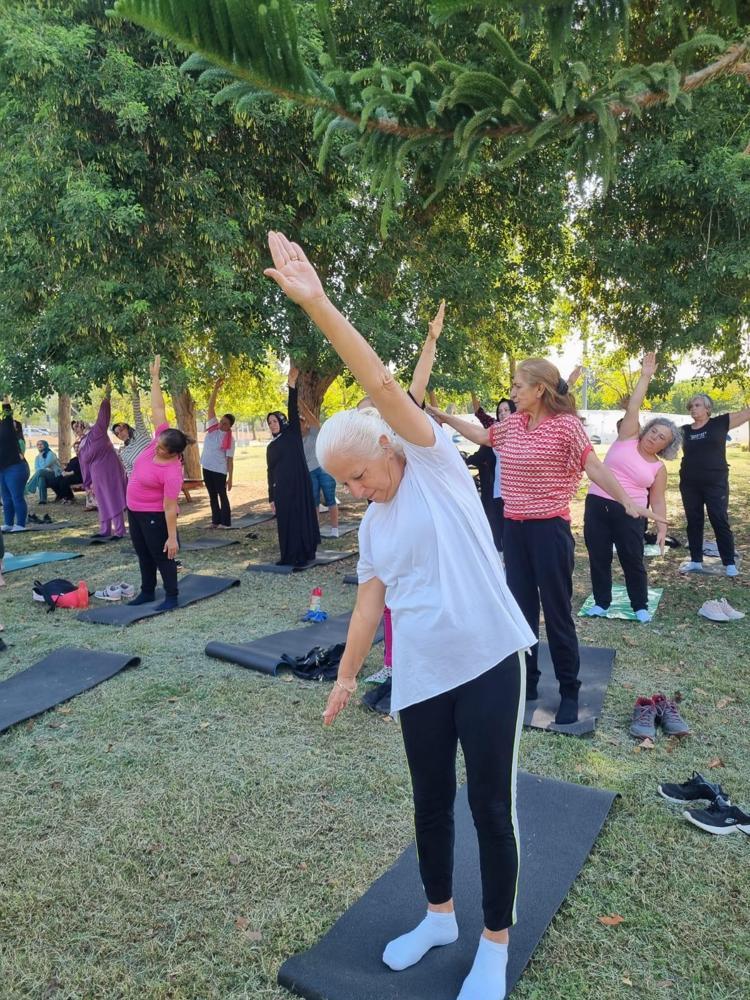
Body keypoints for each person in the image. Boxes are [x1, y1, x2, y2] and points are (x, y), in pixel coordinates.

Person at [265, 231, 535, 1000]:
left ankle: (494, 944)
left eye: (358, 475)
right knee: (430, 802)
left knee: (490, 805)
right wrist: (346, 677)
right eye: (344, 485)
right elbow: (366, 607)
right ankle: (440, 917)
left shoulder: (432, 462)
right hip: (420, 673)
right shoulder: (375, 528)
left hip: (488, 659)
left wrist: (318, 305)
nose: (356, 492)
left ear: (387, 447)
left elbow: (383, 383)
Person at [431, 360, 658, 725]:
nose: (513, 392)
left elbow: (595, 467)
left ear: (540, 389)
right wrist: (442, 415)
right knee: (521, 612)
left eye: (518, 386)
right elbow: (483, 436)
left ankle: (569, 691)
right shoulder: (514, 424)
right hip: (514, 530)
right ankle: (528, 681)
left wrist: (627, 501)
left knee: (556, 614)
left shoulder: (566, 426)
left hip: (549, 531)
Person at [583, 353, 680, 622]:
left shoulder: (658, 468)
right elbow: (634, 405)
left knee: (632, 559)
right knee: (599, 557)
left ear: (666, 446)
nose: (654, 437)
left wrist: (662, 528)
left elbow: (657, 501)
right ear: (646, 430)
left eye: (662, 438)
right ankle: (601, 603)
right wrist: (645, 376)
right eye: (654, 431)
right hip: (597, 504)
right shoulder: (627, 436)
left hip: (631, 513)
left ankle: (640, 606)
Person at [126, 356, 189, 610]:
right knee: (143, 553)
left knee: (162, 555)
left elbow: (170, 507)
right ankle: (147, 591)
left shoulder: (172, 472)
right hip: (134, 510)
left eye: (161, 449)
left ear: (173, 453)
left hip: (154, 514)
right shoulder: (160, 440)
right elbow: (158, 409)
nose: (156, 448)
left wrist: (172, 538)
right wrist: (154, 378)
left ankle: (172, 596)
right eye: (158, 444)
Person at [679, 392, 750, 577]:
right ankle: (696, 561)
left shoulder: (720, 423)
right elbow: (661, 436)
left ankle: (729, 563)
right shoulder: (684, 430)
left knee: (718, 519)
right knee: (693, 521)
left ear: (707, 408)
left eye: (697, 405)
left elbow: (746, 413)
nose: (693, 408)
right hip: (689, 484)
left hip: (715, 482)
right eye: (691, 406)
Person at [266, 367, 321, 566]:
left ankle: (304, 554)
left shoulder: (293, 434)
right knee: (286, 521)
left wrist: (291, 385)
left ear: (282, 421)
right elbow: (270, 472)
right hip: (282, 490)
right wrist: (271, 496)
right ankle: (288, 555)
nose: (272, 424)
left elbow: (292, 408)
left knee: (301, 518)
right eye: (269, 422)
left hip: (299, 485)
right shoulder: (271, 446)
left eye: (275, 421)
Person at [77, 390, 128, 539]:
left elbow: (103, 416)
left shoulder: (97, 431)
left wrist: (106, 398)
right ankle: (104, 530)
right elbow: (83, 464)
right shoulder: (82, 443)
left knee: (112, 497)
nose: (78, 428)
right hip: (96, 474)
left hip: (109, 470)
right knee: (102, 500)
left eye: (80, 425)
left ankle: (119, 531)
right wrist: (88, 482)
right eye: (76, 426)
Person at [468, 395, 516, 551]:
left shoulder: (523, 432)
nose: (503, 414)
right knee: (496, 528)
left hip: (516, 494)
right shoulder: (493, 430)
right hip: (496, 491)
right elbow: (480, 416)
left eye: (506, 410)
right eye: (500, 411)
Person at [298, 400, 340, 536]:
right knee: (314, 501)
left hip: (323, 469)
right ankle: (316, 530)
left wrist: (300, 403)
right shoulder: (296, 440)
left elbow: (310, 416)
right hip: (310, 472)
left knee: (330, 499)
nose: (299, 426)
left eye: (301, 422)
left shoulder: (314, 432)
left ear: (305, 423)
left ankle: (335, 530)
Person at [201, 376, 236, 528]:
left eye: (225, 423)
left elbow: (230, 460)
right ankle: (216, 521)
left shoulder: (230, 439)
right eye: (221, 421)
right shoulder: (213, 428)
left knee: (222, 495)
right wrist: (215, 389)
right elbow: (211, 408)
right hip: (206, 467)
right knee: (212, 496)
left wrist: (231, 478)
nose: (221, 424)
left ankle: (226, 522)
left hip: (219, 471)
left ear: (230, 426)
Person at [1, 398, 30, 532]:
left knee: (16, 496)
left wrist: (4, 398)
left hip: (16, 467)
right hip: (3, 469)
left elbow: (7, 412)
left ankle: (20, 525)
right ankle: (8, 523)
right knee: (6, 498)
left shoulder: (7, 427)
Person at [113, 384, 151, 478]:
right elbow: (130, 473)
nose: (120, 434)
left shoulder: (140, 433)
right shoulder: (124, 453)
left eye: (121, 429)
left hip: (159, 472)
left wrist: (134, 392)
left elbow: (137, 415)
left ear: (127, 427)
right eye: (117, 434)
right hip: (144, 480)